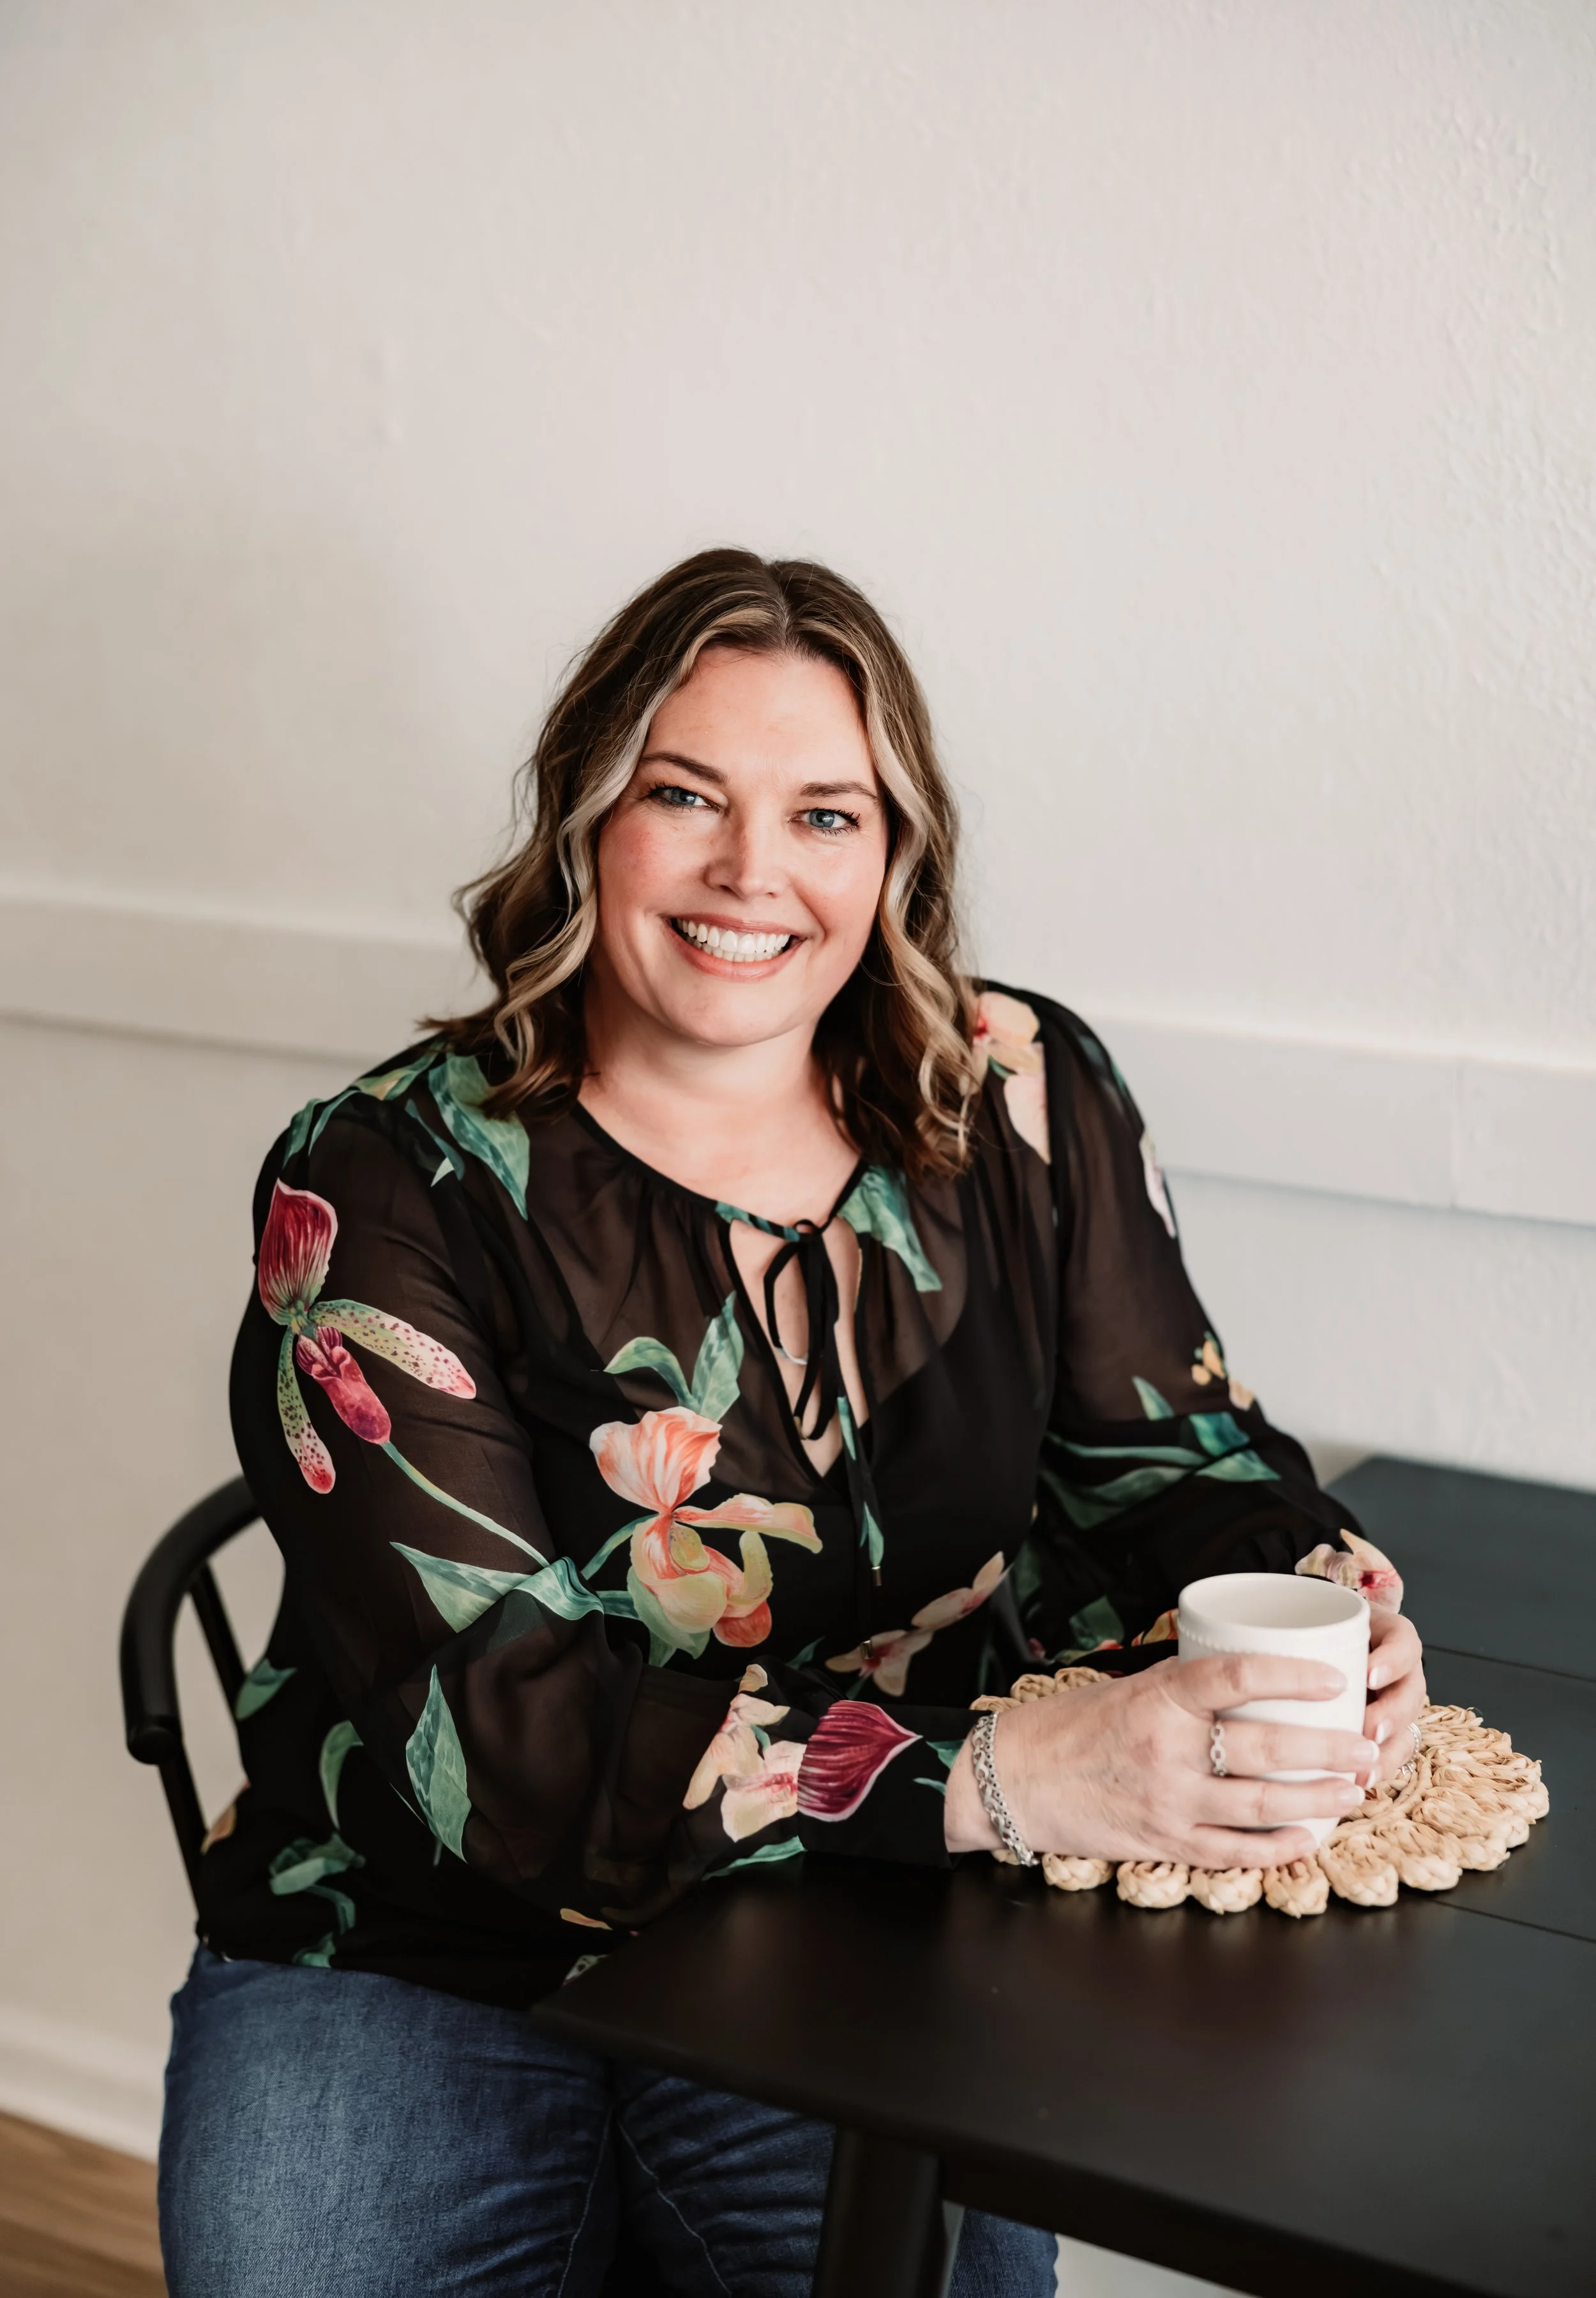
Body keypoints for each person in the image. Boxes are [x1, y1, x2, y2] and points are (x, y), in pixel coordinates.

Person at [158, 550, 1425, 2297]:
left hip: (853, 1925)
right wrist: (1005, 1772)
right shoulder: (387, 1177)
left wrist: (1322, 1605)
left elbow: (1174, 1466)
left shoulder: (1019, 1097)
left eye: (826, 813)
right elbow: (500, 1742)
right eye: (686, 795)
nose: (753, 870)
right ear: (588, 818)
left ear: (895, 851)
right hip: (410, 1937)